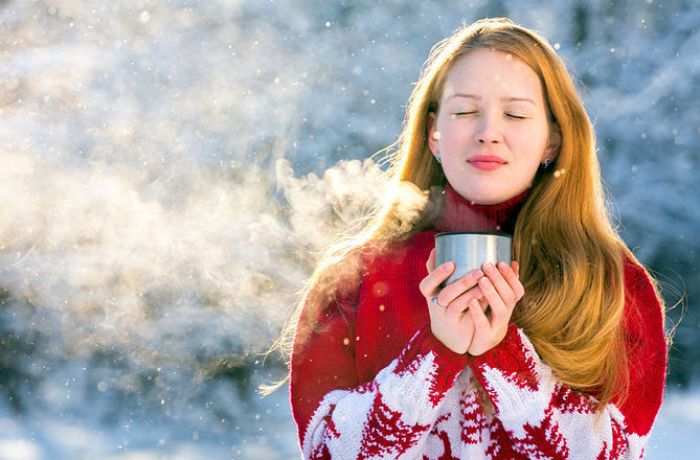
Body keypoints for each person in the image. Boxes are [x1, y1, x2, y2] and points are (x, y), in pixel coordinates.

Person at [282, 17, 667, 459]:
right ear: (434, 134)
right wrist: (432, 354)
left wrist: (504, 358)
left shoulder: (610, 282)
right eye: (465, 111)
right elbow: (327, 452)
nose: (488, 131)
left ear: (553, 140)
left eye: (516, 114)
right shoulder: (354, 280)